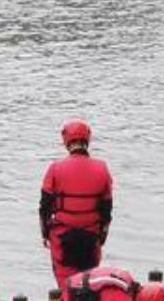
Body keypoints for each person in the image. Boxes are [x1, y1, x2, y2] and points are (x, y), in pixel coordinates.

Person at [40, 118, 114, 289]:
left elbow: (44, 206)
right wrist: (102, 235)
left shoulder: (55, 169)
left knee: (65, 285)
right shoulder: (102, 168)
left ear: (66, 141)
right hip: (91, 235)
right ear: (87, 140)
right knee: (89, 283)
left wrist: (45, 234)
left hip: (62, 236)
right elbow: (107, 208)